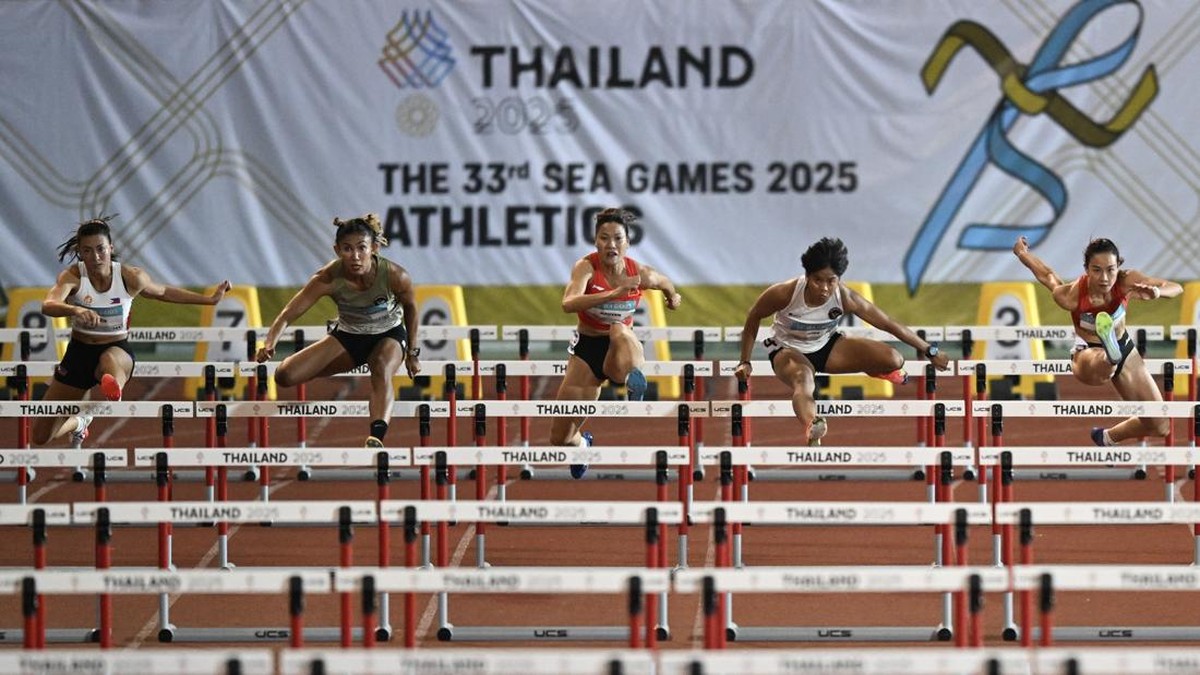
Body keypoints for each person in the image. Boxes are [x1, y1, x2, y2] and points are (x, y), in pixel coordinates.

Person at [35, 215, 231, 447]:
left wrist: (209, 300)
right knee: (41, 436)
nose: (96, 257)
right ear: (80, 252)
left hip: (116, 349)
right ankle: (81, 421)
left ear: (111, 248)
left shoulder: (131, 277)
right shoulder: (73, 277)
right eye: (87, 251)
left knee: (108, 361)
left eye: (100, 249)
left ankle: (114, 387)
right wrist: (75, 310)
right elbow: (48, 304)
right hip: (79, 354)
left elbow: (163, 292)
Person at [735, 237, 950, 445]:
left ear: (838, 279)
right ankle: (813, 425)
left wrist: (929, 350)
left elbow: (887, 323)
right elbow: (754, 317)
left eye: (831, 281)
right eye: (818, 280)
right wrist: (745, 361)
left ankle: (876, 370)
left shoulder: (844, 297)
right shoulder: (784, 293)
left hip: (826, 346)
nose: (824, 288)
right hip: (787, 349)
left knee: (894, 359)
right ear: (807, 276)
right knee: (803, 380)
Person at [256, 214, 419, 448]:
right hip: (348, 336)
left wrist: (412, 352)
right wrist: (270, 343)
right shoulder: (327, 278)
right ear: (337, 250)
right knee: (285, 375)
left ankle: (376, 436)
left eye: (361, 248)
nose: (355, 256)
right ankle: (356, 358)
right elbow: (288, 314)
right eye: (347, 249)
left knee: (382, 367)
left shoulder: (395, 275)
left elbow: (411, 308)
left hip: (389, 334)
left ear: (374, 248)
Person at [548, 207, 683, 478]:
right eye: (604, 238)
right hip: (587, 350)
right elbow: (568, 303)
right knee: (560, 438)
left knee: (619, 330)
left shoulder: (640, 273)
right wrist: (614, 293)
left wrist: (673, 298)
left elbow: (665, 282)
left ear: (627, 243)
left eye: (618, 238)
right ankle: (582, 444)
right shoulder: (585, 267)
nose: (611, 244)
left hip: (621, 348)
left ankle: (633, 379)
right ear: (596, 242)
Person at [1013, 235, 1181, 446]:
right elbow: (1047, 275)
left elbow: (1175, 287)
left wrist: (1157, 291)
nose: (1104, 278)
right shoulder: (1071, 295)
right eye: (1097, 270)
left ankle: (1107, 437)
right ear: (1086, 269)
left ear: (1118, 267)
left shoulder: (1127, 280)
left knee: (1160, 425)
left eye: (1110, 270)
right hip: (1087, 352)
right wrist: (1022, 254)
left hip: (1124, 348)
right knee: (1103, 362)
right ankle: (1109, 356)